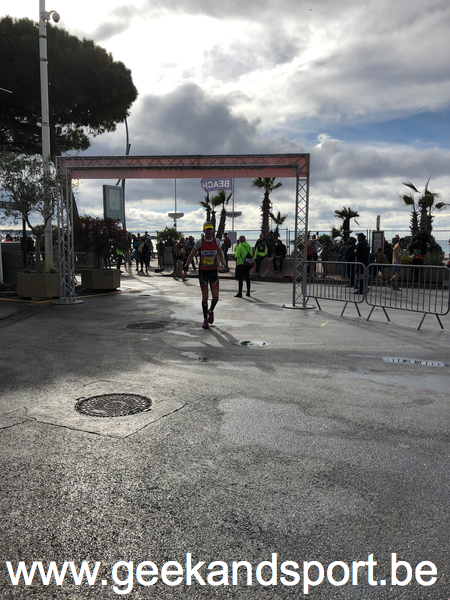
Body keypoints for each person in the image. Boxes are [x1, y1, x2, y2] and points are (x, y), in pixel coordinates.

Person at [182, 222, 225, 329]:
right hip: (203, 273)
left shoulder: (217, 241)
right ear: (204, 231)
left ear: (213, 230)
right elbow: (191, 255)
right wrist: (186, 267)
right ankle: (205, 319)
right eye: (207, 229)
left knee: (216, 297)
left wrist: (223, 264)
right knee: (205, 297)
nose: (209, 231)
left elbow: (221, 254)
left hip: (213, 272)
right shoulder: (199, 242)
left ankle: (211, 310)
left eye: (210, 229)